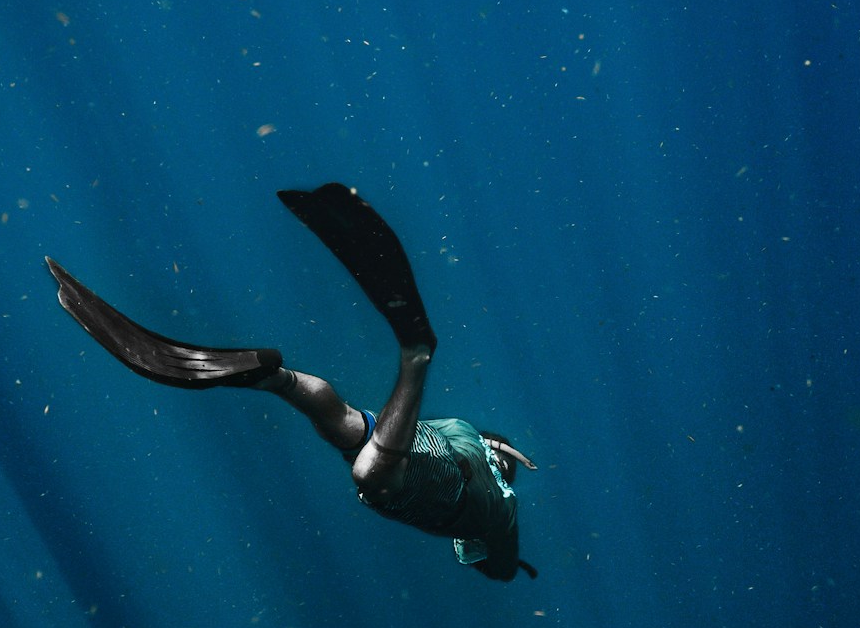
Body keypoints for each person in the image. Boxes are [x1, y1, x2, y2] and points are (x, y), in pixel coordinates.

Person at [45, 182, 536, 582]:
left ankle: (279, 379)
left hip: (420, 444)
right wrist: (511, 564)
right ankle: (416, 356)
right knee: (373, 472)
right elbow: (501, 572)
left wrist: (492, 446)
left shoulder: (466, 433)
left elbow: (471, 446)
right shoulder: (502, 514)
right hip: (417, 477)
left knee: (343, 419)